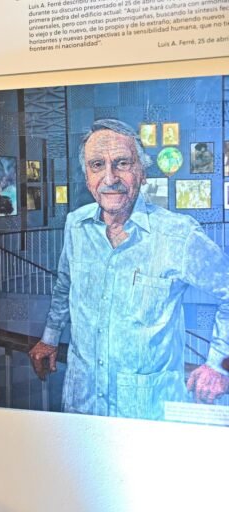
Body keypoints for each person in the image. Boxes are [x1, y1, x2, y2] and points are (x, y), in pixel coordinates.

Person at [28, 119, 229, 420]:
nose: (110, 178)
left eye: (122, 163)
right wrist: (49, 337)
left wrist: (217, 364)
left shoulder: (178, 235)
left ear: (142, 172)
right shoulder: (76, 225)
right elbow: (65, 286)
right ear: (87, 176)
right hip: (83, 406)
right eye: (97, 165)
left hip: (147, 414)